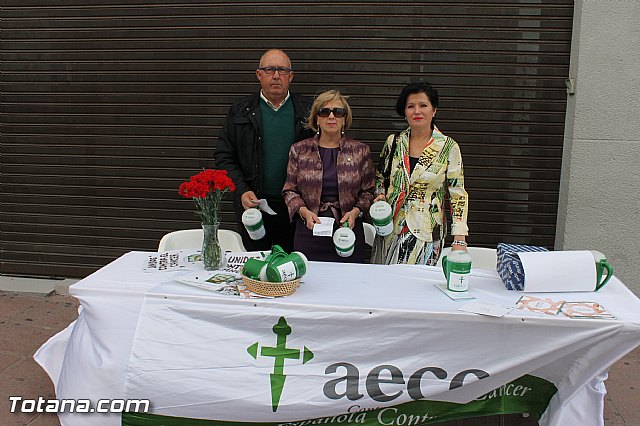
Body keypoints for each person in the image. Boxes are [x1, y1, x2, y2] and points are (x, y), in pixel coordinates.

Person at [215, 49, 314, 252]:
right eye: (269, 70)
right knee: (255, 266)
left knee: (291, 268)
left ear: (291, 76)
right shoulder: (240, 110)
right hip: (254, 206)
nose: (276, 75)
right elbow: (224, 156)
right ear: (259, 74)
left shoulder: (308, 110)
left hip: (297, 209)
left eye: (282, 70)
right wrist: (242, 190)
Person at [372, 82, 468, 265]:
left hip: (426, 232)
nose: (417, 111)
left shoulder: (448, 147)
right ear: (404, 111)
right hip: (389, 229)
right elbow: (380, 179)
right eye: (411, 106)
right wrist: (380, 196)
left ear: (434, 110)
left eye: (423, 105)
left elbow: (458, 194)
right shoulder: (394, 142)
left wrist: (459, 238)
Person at [282, 90, 375, 262]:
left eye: (338, 112)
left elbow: (368, 192)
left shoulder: (360, 151)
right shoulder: (299, 150)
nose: (331, 116)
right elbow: (289, 190)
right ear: (316, 118)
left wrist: (355, 212)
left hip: (348, 231)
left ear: (344, 119)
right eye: (324, 112)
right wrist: (304, 212)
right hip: (309, 229)